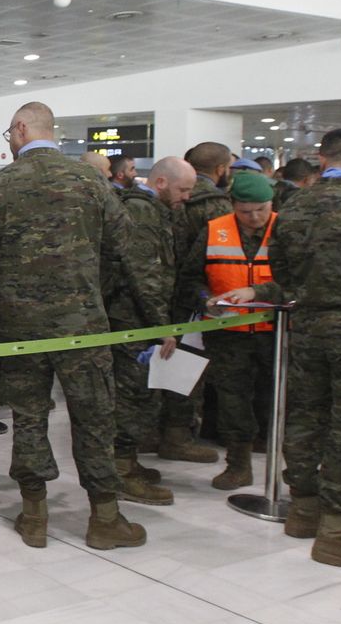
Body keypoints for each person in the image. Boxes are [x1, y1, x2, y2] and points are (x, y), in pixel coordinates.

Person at [0, 102, 158, 551]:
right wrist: (156, 319)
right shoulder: (91, 181)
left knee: (29, 417)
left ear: (23, 129)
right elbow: (129, 247)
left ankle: (34, 515)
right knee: (94, 418)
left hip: (20, 327)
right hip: (84, 324)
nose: (9, 140)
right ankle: (105, 518)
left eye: (9, 133)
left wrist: (2, 259)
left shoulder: (1, 185)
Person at [223, 129, 341, 574]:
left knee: (305, 417)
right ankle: (338, 534)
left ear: (320, 158)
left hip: (308, 329)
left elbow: (283, 273)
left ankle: (303, 510)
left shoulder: (294, 208)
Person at [176, 171, 279, 490]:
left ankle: (287, 464)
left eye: (261, 209)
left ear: (271, 204)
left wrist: (258, 294)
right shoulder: (214, 231)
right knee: (232, 400)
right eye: (246, 211)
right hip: (226, 336)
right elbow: (190, 278)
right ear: (233, 205)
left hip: (276, 334)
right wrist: (206, 300)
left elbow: (305, 279)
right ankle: (238, 464)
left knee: (277, 399)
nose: (254, 217)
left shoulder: (287, 230)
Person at [104, 155, 195, 505]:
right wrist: (162, 326)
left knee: (140, 395)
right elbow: (144, 274)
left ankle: (127, 463)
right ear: (160, 183)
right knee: (130, 397)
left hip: (139, 319)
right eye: (183, 189)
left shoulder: (152, 210)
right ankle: (121, 472)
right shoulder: (141, 214)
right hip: (131, 321)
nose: (186, 197)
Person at [162, 142, 235, 463]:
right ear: (221, 170)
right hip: (197, 299)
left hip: (157, 294)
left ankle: (152, 431)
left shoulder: (162, 200)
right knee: (188, 367)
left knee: (159, 363)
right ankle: (178, 435)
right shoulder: (217, 207)